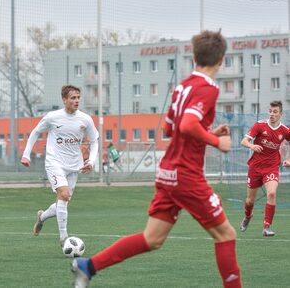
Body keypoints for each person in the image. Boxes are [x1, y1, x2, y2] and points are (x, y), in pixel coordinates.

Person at [71, 30, 241, 288]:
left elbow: (169, 130)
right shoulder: (208, 89)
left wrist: (207, 132)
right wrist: (217, 141)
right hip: (186, 176)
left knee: (153, 238)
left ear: (194, 57)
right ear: (221, 60)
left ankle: (88, 266)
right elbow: (186, 125)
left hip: (167, 173)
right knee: (225, 234)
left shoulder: (183, 86)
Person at [21, 85, 99, 246]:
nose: (76, 100)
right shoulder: (52, 117)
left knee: (63, 202)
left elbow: (94, 141)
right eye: (73, 98)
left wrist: (91, 161)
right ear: (64, 100)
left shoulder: (85, 119)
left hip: (74, 165)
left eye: (78, 97)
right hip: (54, 162)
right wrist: (26, 154)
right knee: (63, 195)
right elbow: (35, 132)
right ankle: (64, 239)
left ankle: (41, 217)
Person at [240, 100, 290, 237]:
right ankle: (248, 216)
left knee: (272, 193)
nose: (272, 114)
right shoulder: (260, 125)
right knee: (250, 200)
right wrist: (251, 146)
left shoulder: (285, 130)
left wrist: (288, 159)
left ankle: (267, 227)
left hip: (272, 167)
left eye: (275, 112)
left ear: (281, 114)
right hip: (255, 167)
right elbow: (244, 141)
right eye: (270, 111)